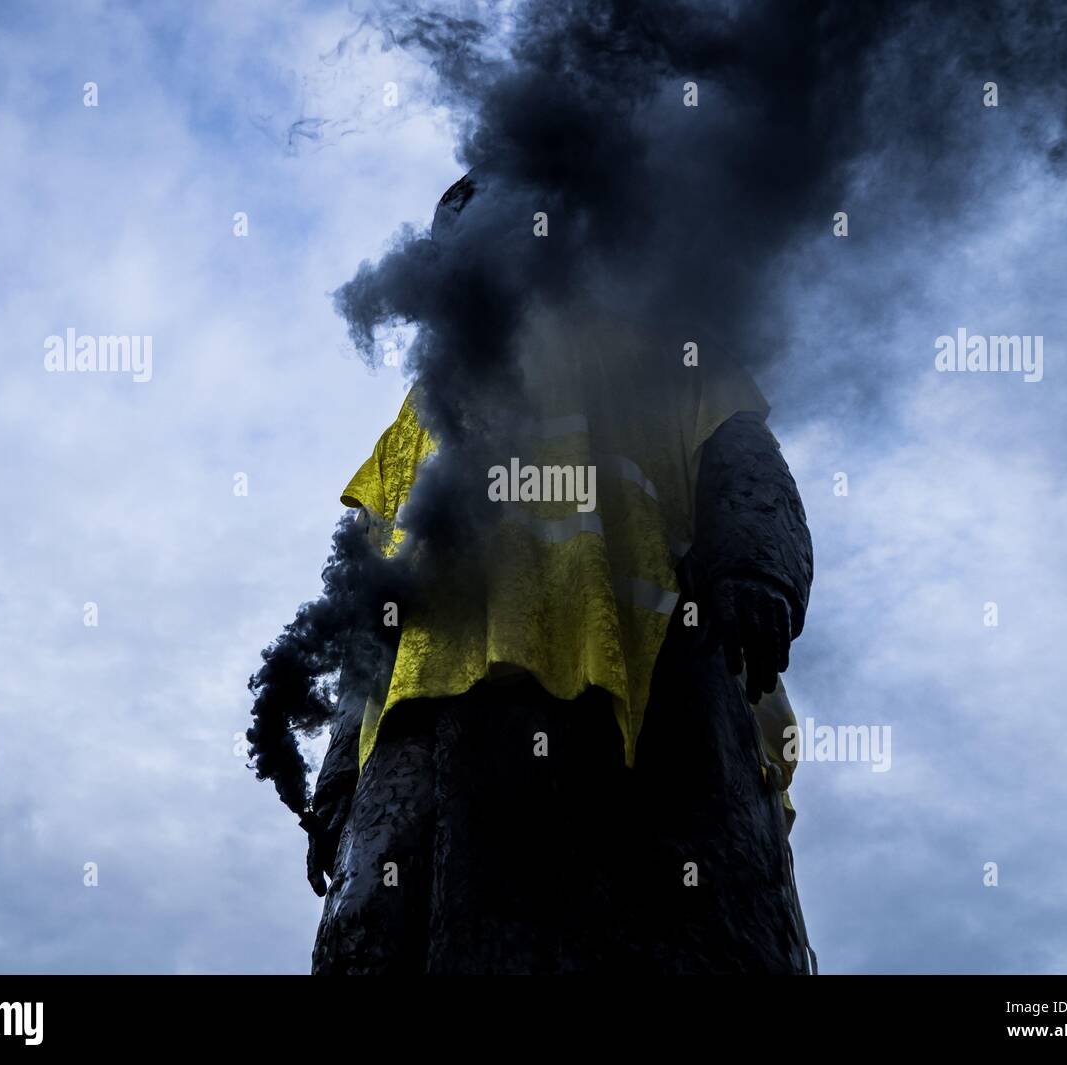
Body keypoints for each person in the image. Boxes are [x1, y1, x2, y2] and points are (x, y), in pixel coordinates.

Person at [303, 176, 815, 974]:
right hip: (430, 719)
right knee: (384, 931)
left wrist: (759, 561)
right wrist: (341, 772)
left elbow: (735, 442)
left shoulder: (656, 340)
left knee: (682, 924)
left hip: (657, 680)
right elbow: (365, 599)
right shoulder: (415, 415)